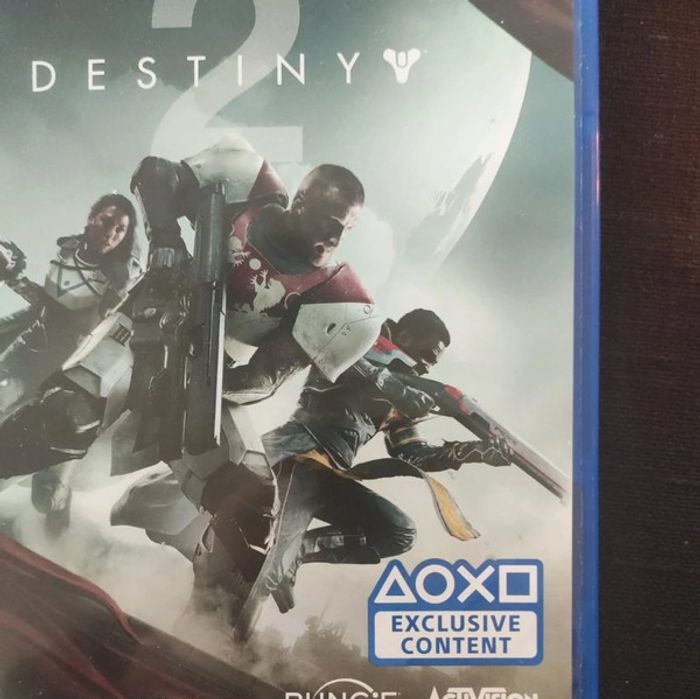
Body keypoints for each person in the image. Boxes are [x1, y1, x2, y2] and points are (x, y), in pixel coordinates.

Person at [0, 134, 430, 595]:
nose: (335, 238)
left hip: (214, 375)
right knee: (66, 415)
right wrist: (166, 238)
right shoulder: (249, 184)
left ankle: (207, 618)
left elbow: (267, 375)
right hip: (149, 329)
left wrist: (200, 386)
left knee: (250, 503)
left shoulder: (336, 295)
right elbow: (155, 173)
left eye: (345, 229)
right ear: (300, 202)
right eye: (328, 223)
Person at [257, 308, 512, 614]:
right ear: (404, 336)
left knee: (400, 532)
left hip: (330, 477)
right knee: (270, 568)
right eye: (425, 355)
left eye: (433, 362)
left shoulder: (402, 393)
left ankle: (300, 551)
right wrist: (396, 388)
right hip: (296, 458)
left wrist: (474, 452)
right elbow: (344, 359)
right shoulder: (360, 341)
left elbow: (412, 453)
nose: (426, 367)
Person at [0, 193, 141, 533]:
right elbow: (48, 305)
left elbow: (99, 326)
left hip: (70, 376)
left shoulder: (120, 278)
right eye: (106, 221)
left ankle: (58, 516)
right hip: (30, 356)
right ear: (91, 217)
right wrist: (12, 275)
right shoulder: (67, 250)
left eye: (120, 230)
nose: (110, 233)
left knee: (47, 493)